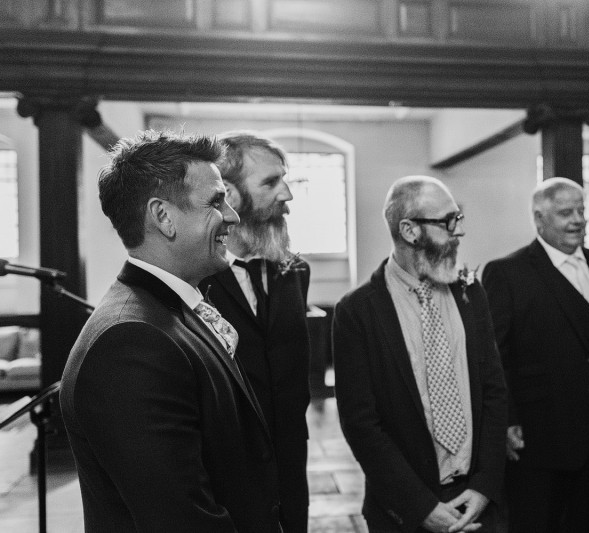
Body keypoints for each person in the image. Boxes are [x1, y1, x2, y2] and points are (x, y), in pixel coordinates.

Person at [60, 130, 282, 532]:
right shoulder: (130, 343)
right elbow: (183, 520)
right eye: (216, 202)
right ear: (163, 217)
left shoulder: (170, 308)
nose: (232, 216)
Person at [332, 176, 507, 533]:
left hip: (475, 501)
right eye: (447, 222)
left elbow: (493, 391)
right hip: (404, 506)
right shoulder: (357, 311)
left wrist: (484, 486)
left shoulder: (471, 294)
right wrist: (420, 507)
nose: (458, 232)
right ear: (410, 231)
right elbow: (361, 423)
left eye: (458, 219)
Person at [482, 177, 589, 533]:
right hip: (540, 437)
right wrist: (505, 421)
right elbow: (494, 356)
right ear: (539, 219)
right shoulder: (508, 273)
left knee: (587, 523)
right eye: (566, 212)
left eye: (582, 210)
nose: (578, 220)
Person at [199, 131, 311, 532]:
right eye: (270, 182)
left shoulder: (295, 270)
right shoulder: (197, 279)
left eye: (285, 180)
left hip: (291, 467)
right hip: (227, 476)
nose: (287, 196)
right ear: (228, 193)